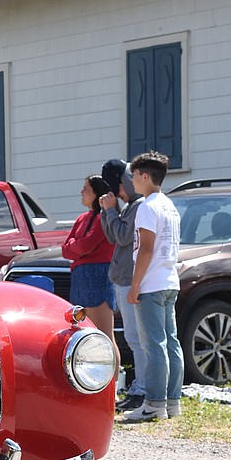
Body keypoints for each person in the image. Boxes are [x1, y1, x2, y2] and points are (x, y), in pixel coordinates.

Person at [123, 151, 184, 422]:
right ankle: (172, 402)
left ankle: (154, 404)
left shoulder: (147, 206)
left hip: (151, 283)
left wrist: (135, 286)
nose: (132, 181)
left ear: (145, 176)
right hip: (170, 280)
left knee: (154, 345)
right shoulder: (169, 205)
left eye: (134, 176)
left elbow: (145, 249)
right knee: (171, 343)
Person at [99, 158, 147, 412]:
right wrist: (108, 210)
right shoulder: (127, 206)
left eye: (115, 187)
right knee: (132, 337)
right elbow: (111, 236)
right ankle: (140, 385)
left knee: (137, 338)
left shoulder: (138, 207)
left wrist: (110, 210)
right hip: (123, 279)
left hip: (131, 281)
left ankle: (142, 388)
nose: (115, 192)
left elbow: (123, 236)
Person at [62, 175, 119, 353]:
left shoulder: (103, 218)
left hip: (98, 277)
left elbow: (87, 245)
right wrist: (77, 247)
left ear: (96, 192)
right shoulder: (81, 218)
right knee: (84, 335)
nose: (81, 192)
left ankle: (114, 381)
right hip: (80, 279)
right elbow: (65, 249)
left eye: (86, 188)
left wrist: (77, 248)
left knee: (104, 335)